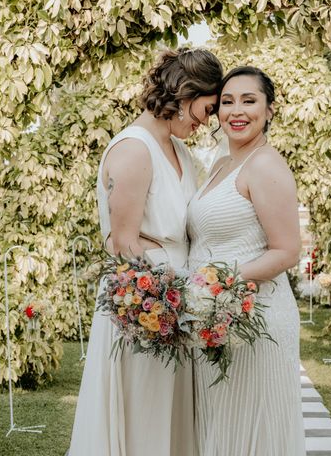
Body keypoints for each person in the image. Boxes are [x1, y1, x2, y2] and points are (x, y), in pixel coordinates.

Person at [67, 48, 223, 456]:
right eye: (206, 110)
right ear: (185, 94)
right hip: (143, 309)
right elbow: (124, 244)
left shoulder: (182, 152)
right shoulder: (134, 149)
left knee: (171, 419)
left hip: (178, 303)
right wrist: (160, 302)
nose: (206, 122)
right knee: (144, 415)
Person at [187, 66, 305, 455]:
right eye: (227, 102)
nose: (237, 111)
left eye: (249, 101)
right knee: (223, 427)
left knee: (254, 427)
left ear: (269, 110)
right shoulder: (221, 165)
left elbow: (287, 251)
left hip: (258, 321)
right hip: (217, 318)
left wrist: (216, 282)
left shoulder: (266, 164)